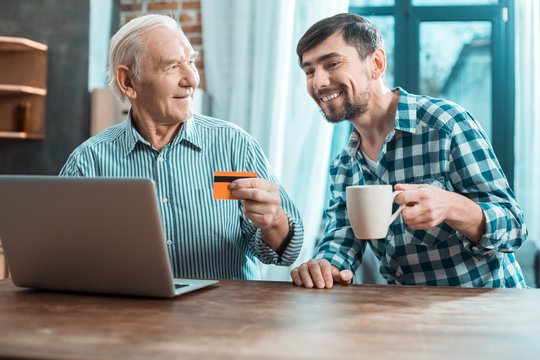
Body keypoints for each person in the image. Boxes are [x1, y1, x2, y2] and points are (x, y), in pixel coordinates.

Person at [290, 13, 527, 288]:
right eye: (309, 71)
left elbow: (514, 227)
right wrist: (323, 266)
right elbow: (341, 240)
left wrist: (452, 206)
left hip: (486, 312)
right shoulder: (344, 165)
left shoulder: (446, 124)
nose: (318, 82)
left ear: (376, 64)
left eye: (332, 64)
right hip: (408, 317)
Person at [60, 14, 303, 280]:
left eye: (190, 62)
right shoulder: (88, 162)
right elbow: (60, 256)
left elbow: (285, 253)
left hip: (222, 317)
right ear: (128, 82)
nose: (191, 80)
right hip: (129, 318)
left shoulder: (234, 145)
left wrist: (274, 220)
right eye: (172, 66)